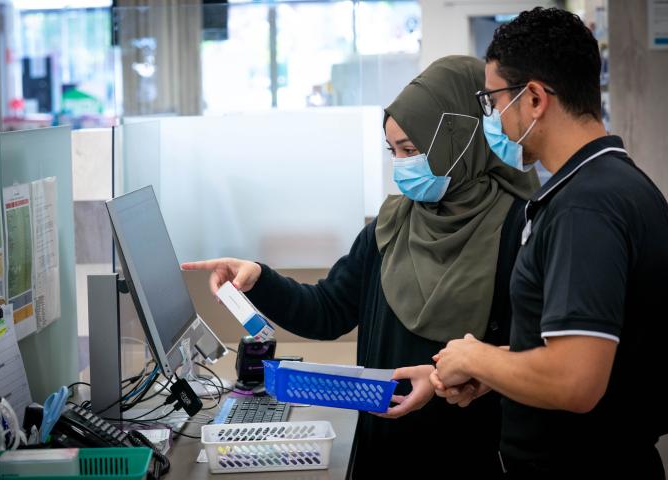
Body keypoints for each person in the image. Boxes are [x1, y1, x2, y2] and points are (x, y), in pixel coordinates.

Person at [182, 55, 538, 477]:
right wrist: (259, 279)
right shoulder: (392, 224)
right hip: (382, 451)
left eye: (411, 149)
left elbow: (532, 363)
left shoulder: (521, 229)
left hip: (469, 454)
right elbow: (328, 310)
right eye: (394, 151)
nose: (402, 165)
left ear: (459, 139)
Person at [430, 8, 668, 479]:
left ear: (534, 98)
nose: (492, 116)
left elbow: (575, 380)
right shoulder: (619, 183)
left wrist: (475, 355)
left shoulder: (585, 206)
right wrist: (492, 371)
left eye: (493, 99)